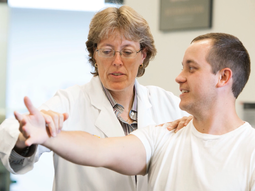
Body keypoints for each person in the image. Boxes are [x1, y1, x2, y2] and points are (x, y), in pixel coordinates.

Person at [15, 32, 255, 191]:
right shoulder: (164, 135)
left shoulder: (249, 150)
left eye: (191, 69)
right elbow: (99, 149)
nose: (179, 77)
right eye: (107, 51)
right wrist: (48, 136)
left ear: (223, 77)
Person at [0, 5, 190, 191]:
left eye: (127, 52)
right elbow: (9, 139)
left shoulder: (167, 103)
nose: (117, 61)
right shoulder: (69, 102)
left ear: (143, 55)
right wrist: (23, 136)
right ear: (94, 55)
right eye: (107, 51)